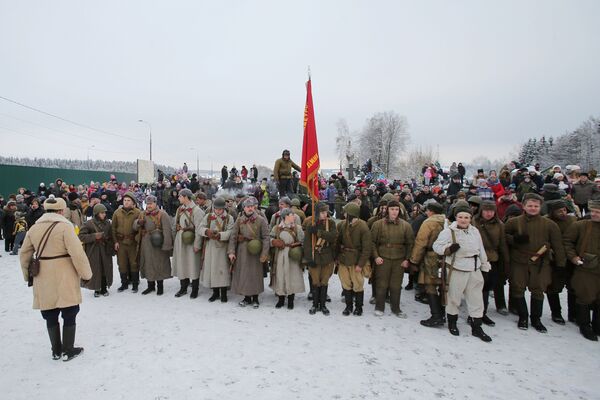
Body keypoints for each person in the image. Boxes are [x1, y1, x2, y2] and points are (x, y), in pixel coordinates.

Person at [19, 196, 93, 361]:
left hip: (43, 275)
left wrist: (27, 275)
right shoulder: (65, 227)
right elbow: (77, 253)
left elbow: (24, 253)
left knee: (50, 312)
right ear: (61, 210)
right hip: (64, 272)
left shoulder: (34, 228)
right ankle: (68, 349)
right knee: (69, 310)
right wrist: (86, 274)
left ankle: (56, 350)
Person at [504, 193, 566, 333]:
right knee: (518, 288)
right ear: (524, 206)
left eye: (536, 206)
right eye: (530, 206)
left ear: (540, 207)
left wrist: (561, 264)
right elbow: (504, 238)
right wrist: (514, 240)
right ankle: (523, 316)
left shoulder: (550, 224)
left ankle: (536, 319)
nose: (533, 208)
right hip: (519, 260)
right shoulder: (514, 222)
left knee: (538, 290)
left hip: (540, 262)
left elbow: (558, 246)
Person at [433, 204, 492, 342]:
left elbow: (481, 249)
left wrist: (484, 266)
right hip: (456, 269)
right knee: (454, 297)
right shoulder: (449, 232)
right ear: (456, 217)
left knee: (476, 299)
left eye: (466, 217)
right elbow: (436, 246)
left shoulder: (475, 231)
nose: (463, 220)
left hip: (474, 268)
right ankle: (452, 322)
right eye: (460, 217)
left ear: (470, 218)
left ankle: (477, 327)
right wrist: (448, 248)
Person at [563, 200, 600, 341]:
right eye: (594, 211)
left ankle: (598, 325)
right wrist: (573, 257)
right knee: (584, 297)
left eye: (598, 212)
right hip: (586, 268)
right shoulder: (580, 225)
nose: (595, 214)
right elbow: (567, 242)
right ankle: (584, 325)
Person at [370, 200, 414, 318]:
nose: (394, 212)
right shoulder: (378, 224)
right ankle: (379, 307)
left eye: (396, 209)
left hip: (399, 260)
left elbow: (410, 244)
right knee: (381, 284)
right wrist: (376, 256)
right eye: (392, 209)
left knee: (396, 285)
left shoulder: (406, 225)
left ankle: (396, 308)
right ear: (387, 210)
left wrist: (407, 259)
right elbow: (372, 242)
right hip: (383, 258)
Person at [228, 197, 270, 308]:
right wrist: (231, 251)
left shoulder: (261, 220)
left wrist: (264, 253)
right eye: (248, 207)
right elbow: (233, 236)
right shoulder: (239, 219)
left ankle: (255, 298)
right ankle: (246, 297)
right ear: (244, 208)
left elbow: (266, 237)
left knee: (255, 275)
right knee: (244, 274)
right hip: (242, 250)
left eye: (252, 207)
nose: (250, 209)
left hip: (256, 251)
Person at [409, 201, 446, 327]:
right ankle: (443, 313)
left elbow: (421, 242)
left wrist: (414, 260)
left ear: (430, 211)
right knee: (443, 286)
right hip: (446, 258)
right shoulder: (448, 222)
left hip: (431, 257)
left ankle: (436, 316)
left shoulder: (429, 222)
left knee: (430, 285)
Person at [473, 201, 510, 322]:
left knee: (487, 286)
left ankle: (482, 313)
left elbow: (503, 244)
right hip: (476, 259)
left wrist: (506, 261)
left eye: (491, 211)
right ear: (481, 211)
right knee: (475, 287)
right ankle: (474, 314)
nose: (488, 213)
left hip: (492, 259)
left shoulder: (499, 225)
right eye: (486, 210)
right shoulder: (474, 222)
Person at [544, 200, 577, 324]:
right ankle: (556, 313)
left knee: (573, 287)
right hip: (554, 260)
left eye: (564, 210)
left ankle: (573, 313)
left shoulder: (572, 221)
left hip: (570, 259)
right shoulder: (546, 221)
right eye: (559, 211)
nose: (563, 213)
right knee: (553, 287)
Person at [336, 202, 372, 316]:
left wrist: (360, 264)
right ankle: (348, 306)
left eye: (346, 212)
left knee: (358, 284)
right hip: (344, 259)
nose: (344, 214)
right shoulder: (342, 225)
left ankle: (359, 307)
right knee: (345, 283)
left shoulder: (363, 226)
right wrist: (337, 257)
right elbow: (337, 242)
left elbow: (367, 248)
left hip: (356, 260)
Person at [133, 195, 173, 296]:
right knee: (147, 263)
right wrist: (138, 222)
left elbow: (168, 231)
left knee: (159, 264)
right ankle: (150, 286)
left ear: (156, 203)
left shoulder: (162, 214)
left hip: (158, 243)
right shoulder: (142, 214)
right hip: (146, 243)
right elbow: (134, 226)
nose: (149, 205)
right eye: (148, 203)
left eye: (151, 203)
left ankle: (160, 287)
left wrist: (167, 245)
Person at [303, 202, 337, 315]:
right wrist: (309, 259)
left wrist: (318, 232)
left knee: (324, 281)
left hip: (327, 257)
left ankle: (323, 305)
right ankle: (314, 304)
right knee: (315, 281)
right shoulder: (310, 224)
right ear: (317, 213)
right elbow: (307, 244)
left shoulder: (331, 223)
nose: (325, 214)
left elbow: (333, 237)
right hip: (315, 256)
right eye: (322, 212)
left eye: (326, 212)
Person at [199, 197, 235, 303]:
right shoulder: (208, 216)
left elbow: (230, 232)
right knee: (212, 270)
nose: (218, 211)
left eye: (220, 209)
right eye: (216, 209)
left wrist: (220, 235)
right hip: (210, 247)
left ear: (224, 208)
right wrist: (207, 232)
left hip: (223, 248)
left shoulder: (229, 218)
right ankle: (215, 293)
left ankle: (223, 293)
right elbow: (200, 228)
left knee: (222, 271)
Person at [171, 189, 205, 298]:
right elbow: (175, 223)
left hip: (192, 240)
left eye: (180, 196)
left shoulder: (197, 211)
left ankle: (195, 289)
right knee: (182, 263)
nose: (178, 198)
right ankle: (183, 287)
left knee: (193, 264)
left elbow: (199, 229)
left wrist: (197, 245)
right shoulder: (180, 209)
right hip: (180, 239)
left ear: (186, 197)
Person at [270, 208, 305, 309]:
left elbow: (303, 241)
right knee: (280, 275)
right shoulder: (277, 228)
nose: (294, 216)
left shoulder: (297, 228)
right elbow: (270, 237)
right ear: (285, 216)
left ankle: (291, 299)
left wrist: (297, 247)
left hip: (292, 255)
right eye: (291, 214)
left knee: (292, 276)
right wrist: (274, 242)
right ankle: (280, 299)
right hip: (280, 254)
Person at [78, 204, 114, 297]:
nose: (104, 215)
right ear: (96, 213)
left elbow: (111, 236)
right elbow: (81, 236)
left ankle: (104, 288)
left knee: (105, 269)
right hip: (94, 251)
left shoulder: (108, 223)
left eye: (104, 213)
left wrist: (112, 245)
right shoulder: (88, 224)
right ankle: (96, 289)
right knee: (96, 269)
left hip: (105, 250)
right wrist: (94, 236)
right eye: (102, 213)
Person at [111, 192, 142, 293]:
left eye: (128, 200)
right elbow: (113, 228)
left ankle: (135, 284)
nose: (126, 202)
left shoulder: (138, 213)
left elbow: (141, 229)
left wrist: (137, 239)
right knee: (122, 263)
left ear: (133, 202)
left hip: (132, 243)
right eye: (125, 200)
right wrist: (115, 241)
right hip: (121, 243)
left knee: (134, 263)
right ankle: (124, 283)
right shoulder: (117, 213)